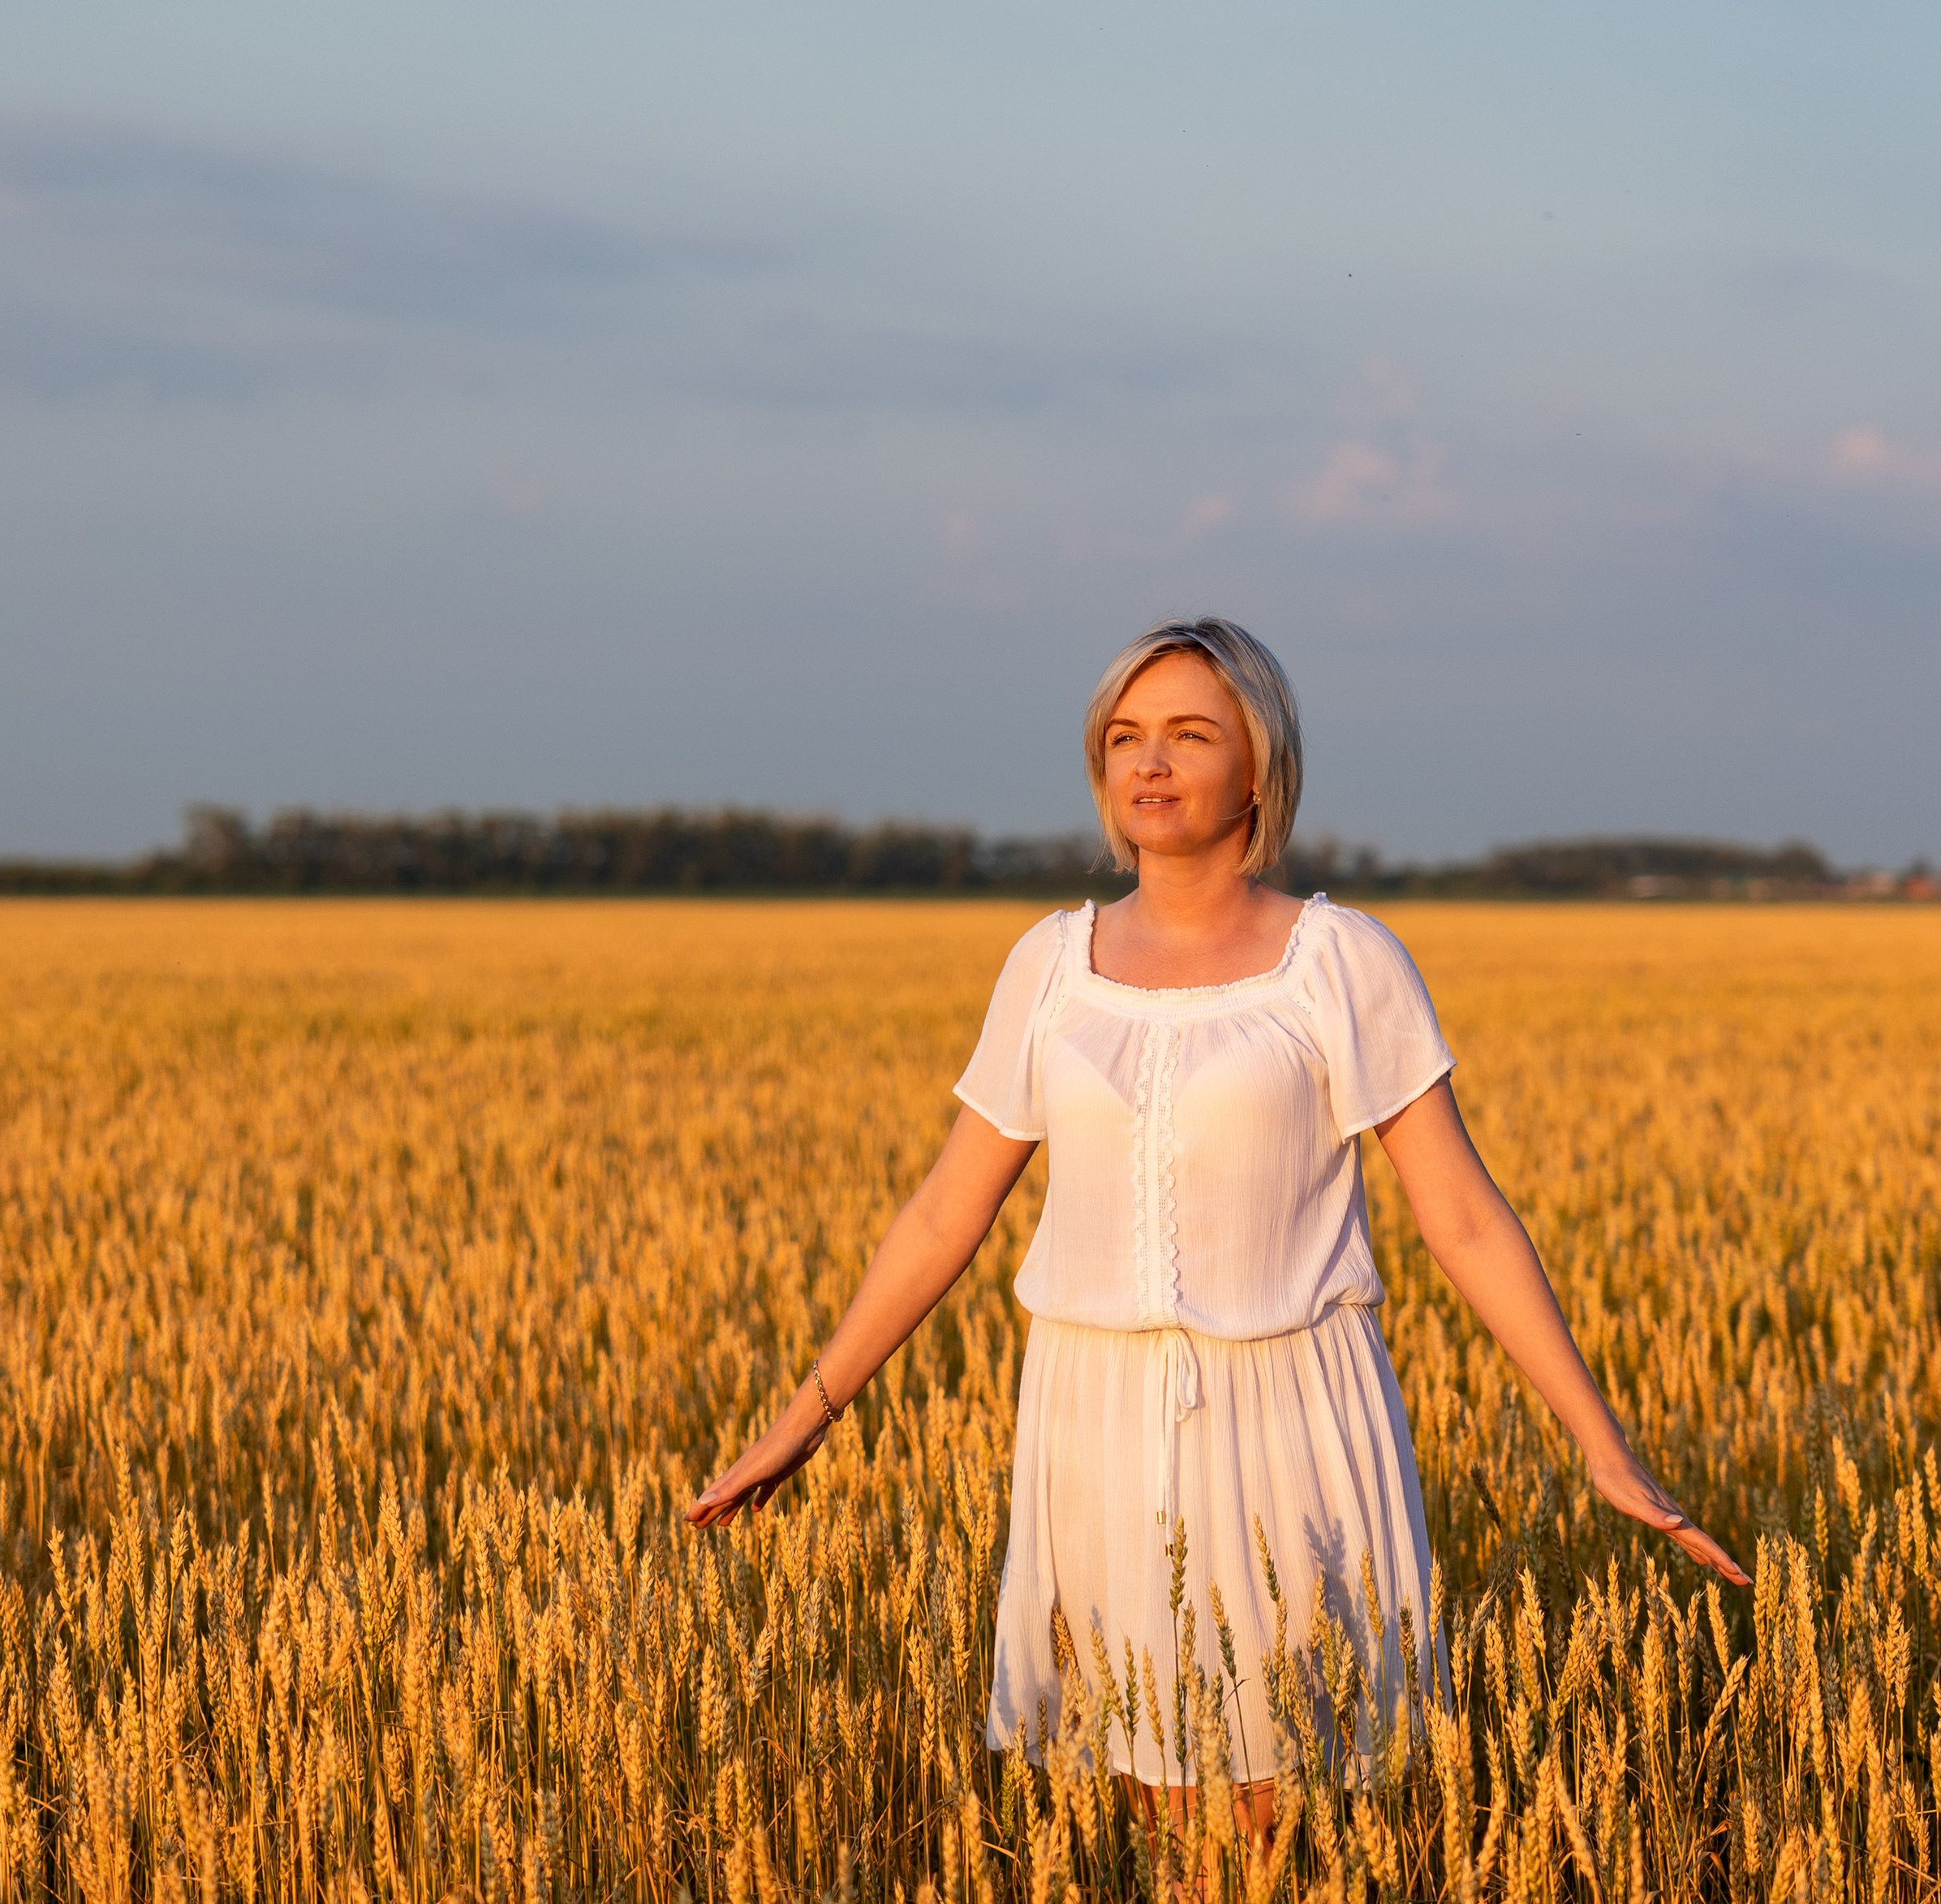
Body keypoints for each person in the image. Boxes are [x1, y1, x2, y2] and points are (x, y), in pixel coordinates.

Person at [690, 617, 1747, 1830]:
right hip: (1092, 1420)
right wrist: (803, 1421)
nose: (1150, 762)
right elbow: (944, 1215)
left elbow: (1462, 1218)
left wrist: (1601, 1443)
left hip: (1289, 1418)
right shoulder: (1050, 965)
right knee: (1149, 1812)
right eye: (1125, 736)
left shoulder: (1341, 961)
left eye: (1190, 735)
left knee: (1268, 1814)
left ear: (1260, 768)